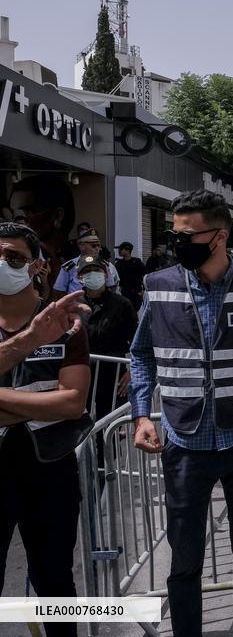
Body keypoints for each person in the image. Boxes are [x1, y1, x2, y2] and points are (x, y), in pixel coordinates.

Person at [130, 191, 233, 637]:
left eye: (186, 234)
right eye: (173, 234)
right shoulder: (157, 285)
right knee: (184, 559)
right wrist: (141, 414)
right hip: (183, 444)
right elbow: (141, 353)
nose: (176, 242)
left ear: (219, 236)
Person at [0, 223, 93, 637]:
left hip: (50, 468)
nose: (3, 265)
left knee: (55, 583)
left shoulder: (65, 316)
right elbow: (55, 401)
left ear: (36, 264)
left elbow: (72, 402)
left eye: (13, 257)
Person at [80, 257, 137, 452]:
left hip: (111, 374)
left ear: (106, 275)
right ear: (80, 278)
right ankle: (83, 469)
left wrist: (131, 372)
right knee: (78, 424)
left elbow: (137, 342)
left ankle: (107, 472)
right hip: (80, 374)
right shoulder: (73, 305)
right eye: (87, 272)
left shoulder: (121, 304)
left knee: (107, 425)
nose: (93, 276)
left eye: (97, 271)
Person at [7, 174, 77, 295]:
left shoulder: (75, 255)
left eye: (27, 211)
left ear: (57, 215)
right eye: (14, 213)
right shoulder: (20, 259)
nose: (19, 220)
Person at [53, 229, 120, 299]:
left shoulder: (106, 265)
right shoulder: (69, 266)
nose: (98, 249)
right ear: (81, 246)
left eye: (99, 246)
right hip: (76, 307)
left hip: (100, 307)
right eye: (94, 246)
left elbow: (111, 288)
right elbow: (60, 290)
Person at [115, 241, 146, 311]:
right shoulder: (119, 264)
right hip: (124, 292)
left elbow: (145, 275)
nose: (119, 251)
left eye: (121, 249)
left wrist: (143, 290)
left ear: (127, 250)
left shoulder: (137, 262)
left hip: (136, 292)